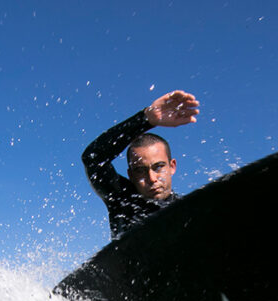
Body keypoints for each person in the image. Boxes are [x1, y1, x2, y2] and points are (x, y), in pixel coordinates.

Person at [81, 90, 200, 239]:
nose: (151, 178)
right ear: (131, 175)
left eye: (158, 167)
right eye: (140, 171)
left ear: (172, 167)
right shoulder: (122, 200)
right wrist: (145, 119)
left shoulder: (187, 210)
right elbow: (93, 158)